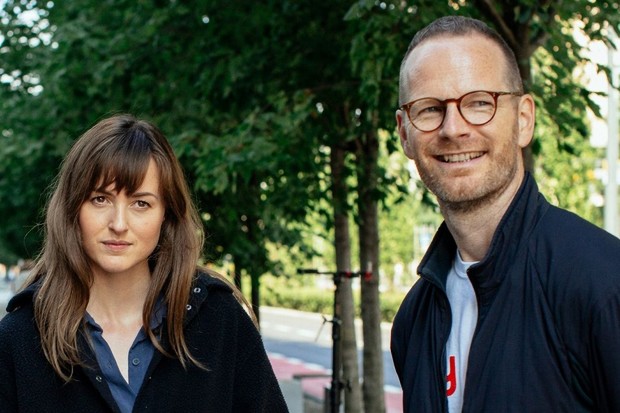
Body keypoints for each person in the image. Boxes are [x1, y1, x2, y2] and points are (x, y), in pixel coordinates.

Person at [391, 15, 620, 413]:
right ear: (404, 133)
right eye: (429, 109)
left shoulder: (602, 284)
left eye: (479, 102)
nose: (453, 128)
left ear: (524, 119)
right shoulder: (414, 321)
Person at [0, 114, 289, 413]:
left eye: (141, 203)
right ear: (73, 207)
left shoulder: (220, 321)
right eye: (100, 199)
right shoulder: (19, 338)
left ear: (166, 214)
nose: (119, 223)